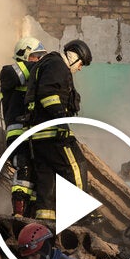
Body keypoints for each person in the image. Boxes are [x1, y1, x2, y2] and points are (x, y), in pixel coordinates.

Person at [23, 39, 92, 221]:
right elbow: (48, 95)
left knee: (47, 179)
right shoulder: (57, 65)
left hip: (38, 136)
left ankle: (46, 219)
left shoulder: (47, 64)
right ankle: (81, 211)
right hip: (53, 133)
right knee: (76, 165)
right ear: (73, 56)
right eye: (81, 63)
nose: (80, 68)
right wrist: (61, 119)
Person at [1, 36, 47, 217]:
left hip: (34, 132)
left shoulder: (36, 77)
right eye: (37, 55)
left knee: (37, 172)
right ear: (25, 55)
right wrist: (48, 66)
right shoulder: (9, 72)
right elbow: (17, 72)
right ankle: (18, 212)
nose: (40, 60)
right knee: (24, 167)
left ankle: (32, 213)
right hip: (18, 132)